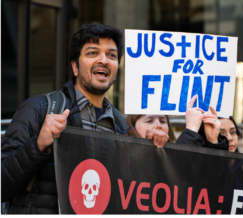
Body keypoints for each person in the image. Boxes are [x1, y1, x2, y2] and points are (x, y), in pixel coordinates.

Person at [1, 22, 167, 214]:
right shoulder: (39, 109)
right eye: (92, 53)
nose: (104, 60)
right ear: (75, 67)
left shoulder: (122, 127)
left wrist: (151, 155)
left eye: (111, 55)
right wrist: (38, 145)